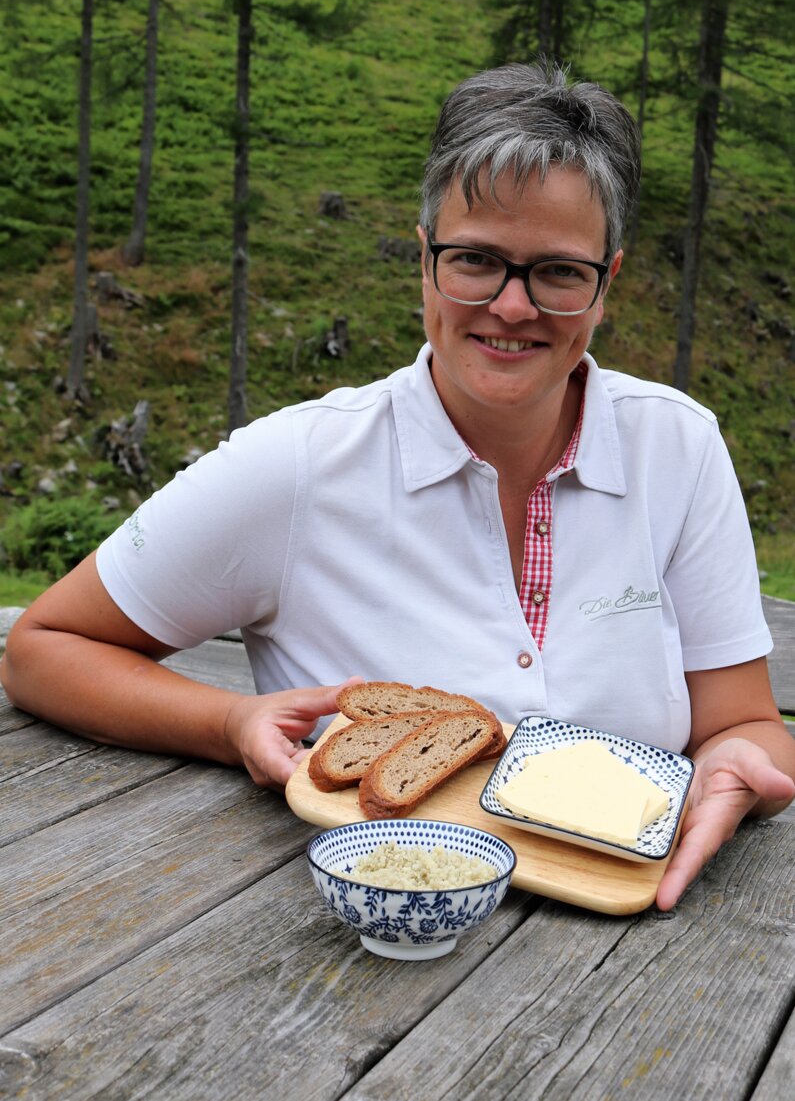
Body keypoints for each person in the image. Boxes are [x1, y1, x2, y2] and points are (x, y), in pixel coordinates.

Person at [2, 60, 793, 912]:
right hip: (362, 953)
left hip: (638, 941)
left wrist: (738, 769)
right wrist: (229, 723)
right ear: (423, 259)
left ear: (608, 283)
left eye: (559, 272)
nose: (513, 306)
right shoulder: (299, 464)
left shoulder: (676, 445)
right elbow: (44, 648)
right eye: (475, 260)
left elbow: (742, 724)